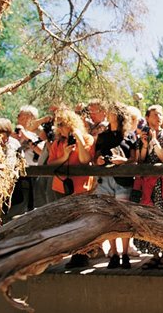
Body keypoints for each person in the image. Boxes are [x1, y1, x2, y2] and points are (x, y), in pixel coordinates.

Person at [47, 109, 95, 268]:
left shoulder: (87, 138)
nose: (59, 128)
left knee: (82, 222)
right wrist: (65, 156)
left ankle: (82, 255)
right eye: (58, 125)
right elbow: (50, 164)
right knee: (66, 222)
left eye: (62, 124)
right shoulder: (58, 142)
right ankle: (72, 253)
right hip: (61, 188)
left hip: (81, 188)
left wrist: (80, 140)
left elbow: (84, 160)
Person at [94, 102, 137, 269]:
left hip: (124, 180)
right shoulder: (103, 136)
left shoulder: (130, 136)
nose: (109, 114)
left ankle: (125, 254)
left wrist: (124, 161)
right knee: (108, 218)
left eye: (112, 112)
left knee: (124, 217)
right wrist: (97, 160)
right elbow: (95, 157)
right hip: (105, 180)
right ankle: (114, 253)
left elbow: (135, 159)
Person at [133, 105, 163, 269]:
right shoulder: (141, 135)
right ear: (148, 117)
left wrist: (154, 141)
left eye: (161, 114)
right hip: (146, 185)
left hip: (161, 183)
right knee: (148, 218)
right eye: (155, 114)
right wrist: (144, 143)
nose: (158, 117)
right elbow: (140, 161)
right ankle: (154, 254)